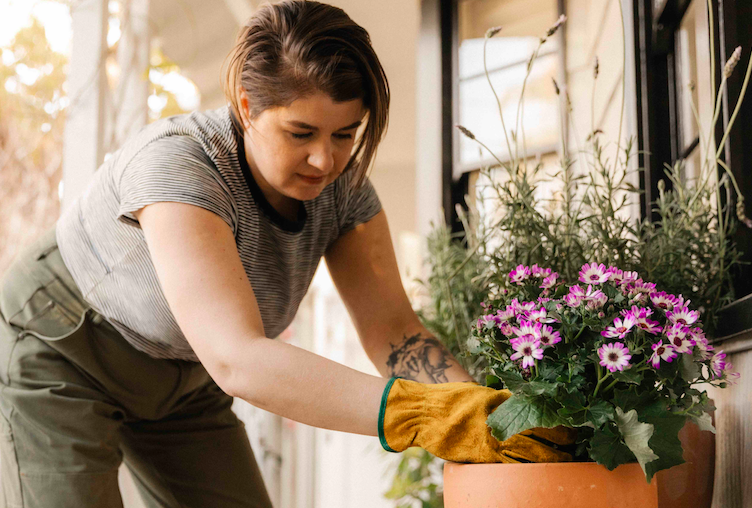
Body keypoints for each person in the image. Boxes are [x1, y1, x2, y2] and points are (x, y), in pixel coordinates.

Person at [0, 2, 573, 507]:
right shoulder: (177, 166)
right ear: (247, 106)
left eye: (345, 134)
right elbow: (238, 359)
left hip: (185, 380)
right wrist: (424, 417)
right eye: (301, 133)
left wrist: (486, 419)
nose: (325, 160)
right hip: (64, 351)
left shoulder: (344, 194)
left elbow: (397, 334)